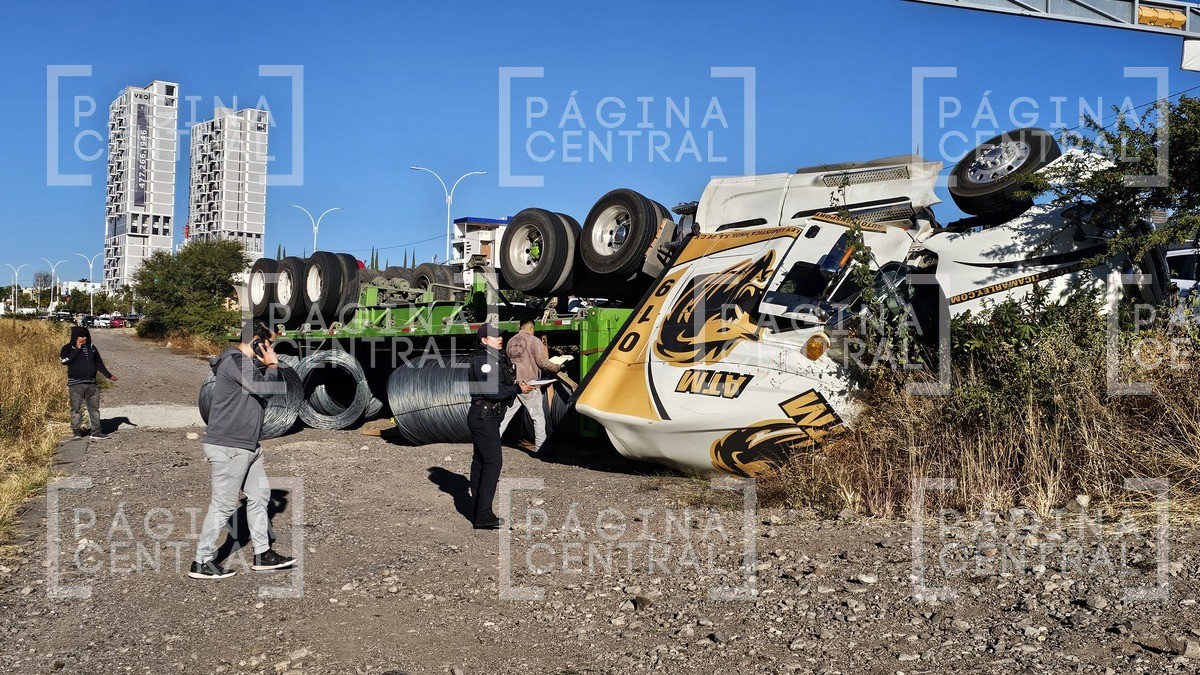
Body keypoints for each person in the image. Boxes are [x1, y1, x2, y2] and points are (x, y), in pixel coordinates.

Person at [190, 320, 295, 580]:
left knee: (260, 497)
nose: (272, 349)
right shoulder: (236, 361)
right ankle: (201, 562)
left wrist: (270, 368)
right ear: (256, 342)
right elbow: (265, 389)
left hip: (247, 446)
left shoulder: (244, 365)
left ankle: (263, 553)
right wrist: (271, 364)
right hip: (229, 446)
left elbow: (269, 391)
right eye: (269, 344)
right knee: (224, 505)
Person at [467, 323, 532, 529]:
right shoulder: (483, 361)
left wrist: (516, 386)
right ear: (484, 340)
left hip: (489, 417)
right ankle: (483, 515)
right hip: (484, 417)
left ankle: (478, 512)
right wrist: (516, 388)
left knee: (481, 462)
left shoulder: (496, 358)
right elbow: (491, 391)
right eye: (495, 337)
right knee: (493, 463)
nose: (500, 339)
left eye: (501, 336)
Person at [500, 319, 570, 453]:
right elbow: (543, 363)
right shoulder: (534, 341)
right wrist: (557, 366)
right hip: (529, 386)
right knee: (538, 417)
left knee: (506, 416)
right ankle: (540, 448)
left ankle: (492, 442)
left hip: (514, 385)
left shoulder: (510, 342)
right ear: (531, 329)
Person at [59, 325, 117, 439]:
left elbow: (99, 364)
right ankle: (76, 431)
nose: (83, 339)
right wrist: (77, 348)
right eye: (81, 336)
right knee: (76, 408)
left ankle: (96, 431)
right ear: (75, 337)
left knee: (94, 408)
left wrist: (109, 375)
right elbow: (65, 361)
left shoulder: (92, 348)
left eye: (85, 336)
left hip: (91, 383)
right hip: (76, 384)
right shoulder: (67, 348)